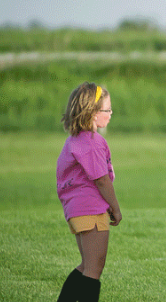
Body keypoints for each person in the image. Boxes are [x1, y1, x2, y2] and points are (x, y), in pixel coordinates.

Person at [56, 82, 122, 302]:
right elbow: (102, 180)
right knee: (94, 271)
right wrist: (115, 207)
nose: (111, 113)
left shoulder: (74, 140)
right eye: (107, 109)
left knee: (86, 266)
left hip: (77, 211)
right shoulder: (92, 142)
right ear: (93, 113)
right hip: (90, 210)